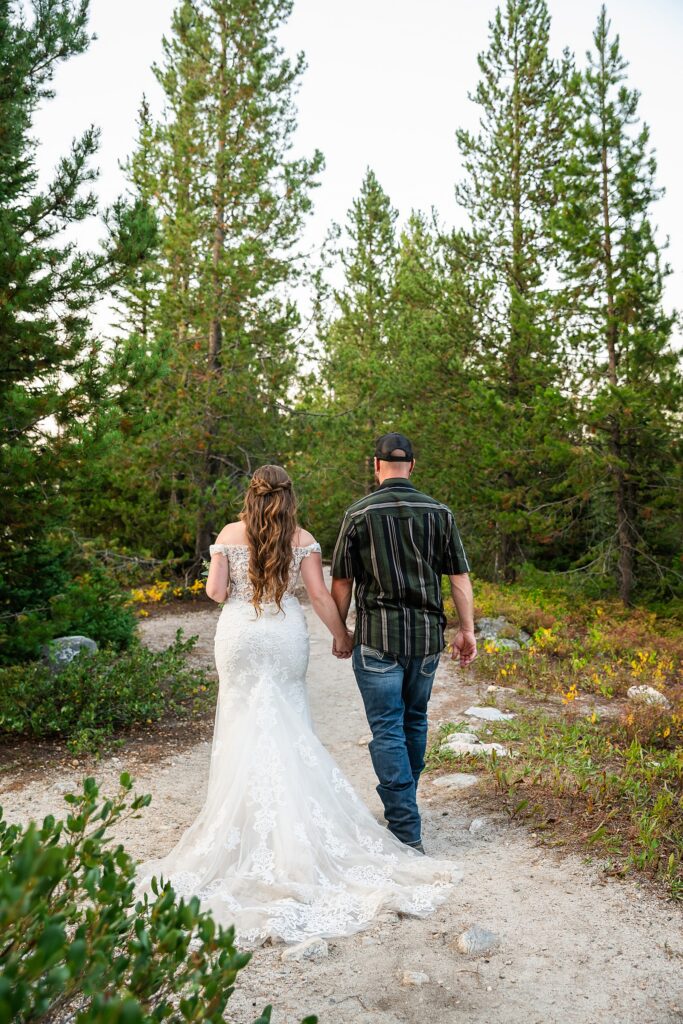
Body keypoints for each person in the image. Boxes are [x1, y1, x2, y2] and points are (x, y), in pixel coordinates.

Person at [133, 464, 460, 947]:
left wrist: (226, 568)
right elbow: (320, 597)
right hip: (283, 635)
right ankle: (298, 832)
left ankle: (242, 823)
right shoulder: (301, 537)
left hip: (241, 635)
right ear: (289, 497)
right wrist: (343, 634)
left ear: (251, 495)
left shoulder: (227, 533)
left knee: (244, 725)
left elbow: (216, 593)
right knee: (288, 724)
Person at [330, 433, 477, 854]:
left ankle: (404, 825)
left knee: (388, 728)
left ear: (375, 465)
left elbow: (342, 580)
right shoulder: (439, 513)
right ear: (412, 465)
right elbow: (459, 577)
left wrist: (341, 631)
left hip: (377, 637)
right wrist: (466, 630)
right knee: (414, 719)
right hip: (427, 638)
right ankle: (405, 806)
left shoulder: (358, 514)